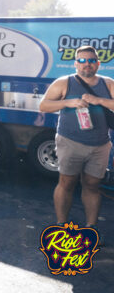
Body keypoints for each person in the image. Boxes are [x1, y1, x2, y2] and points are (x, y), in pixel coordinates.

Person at [39, 45, 113, 232]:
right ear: (75, 64)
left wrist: (100, 101)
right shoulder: (64, 82)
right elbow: (44, 106)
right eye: (81, 61)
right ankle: (62, 225)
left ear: (98, 64)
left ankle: (91, 228)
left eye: (90, 61)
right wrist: (68, 102)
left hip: (100, 145)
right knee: (67, 183)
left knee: (92, 185)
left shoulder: (108, 83)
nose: (86, 64)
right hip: (70, 142)